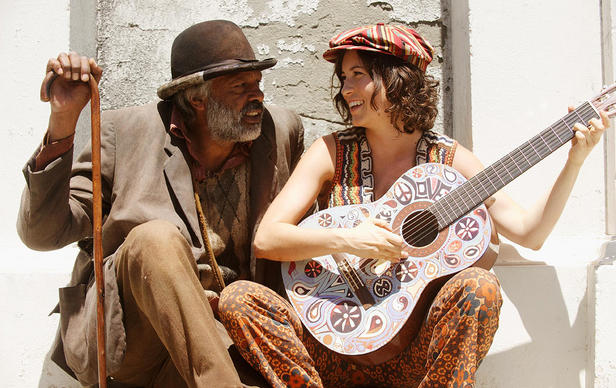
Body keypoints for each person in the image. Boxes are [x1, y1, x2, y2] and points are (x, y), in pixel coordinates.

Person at [218, 23, 609, 387]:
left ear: (397, 78)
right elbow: (268, 238)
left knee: (479, 286)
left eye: (358, 75)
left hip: (414, 358)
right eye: (344, 78)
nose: (346, 89)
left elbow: (529, 232)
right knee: (239, 300)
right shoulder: (331, 153)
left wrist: (575, 159)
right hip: (330, 348)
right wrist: (350, 240)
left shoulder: (450, 160)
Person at [17, 20, 305, 387]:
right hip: (135, 341)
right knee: (155, 239)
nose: (258, 96)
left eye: (258, 84)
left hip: (228, 333)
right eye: (240, 87)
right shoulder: (121, 134)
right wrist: (62, 122)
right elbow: (42, 234)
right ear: (197, 98)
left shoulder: (280, 132)